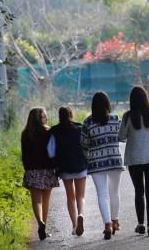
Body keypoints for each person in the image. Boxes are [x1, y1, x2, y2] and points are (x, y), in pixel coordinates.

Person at [119, 85, 149, 237]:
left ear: (131, 100)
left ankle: (141, 224)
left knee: (139, 191)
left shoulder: (127, 116)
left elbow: (121, 137)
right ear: (146, 98)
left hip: (135, 159)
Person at [80, 91, 123, 240]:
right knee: (114, 192)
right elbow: (122, 136)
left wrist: (89, 156)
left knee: (102, 194)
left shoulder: (88, 122)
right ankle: (115, 221)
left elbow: (84, 143)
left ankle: (107, 225)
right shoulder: (115, 119)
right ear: (107, 104)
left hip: (97, 162)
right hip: (115, 160)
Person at [48, 107, 88, 236]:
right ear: (71, 115)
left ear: (59, 116)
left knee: (70, 197)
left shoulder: (54, 131)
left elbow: (50, 151)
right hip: (80, 165)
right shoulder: (79, 128)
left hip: (65, 168)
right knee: (80, 196)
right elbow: (85, 145)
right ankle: (80, 214)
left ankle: (75, 225)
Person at [20, 107, 59, 240]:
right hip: (47, 170)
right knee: (46, 200)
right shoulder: (48, 132)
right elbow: (53, 151)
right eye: (44, 116)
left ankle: (40, 223)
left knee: (36, 201)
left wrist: (27, 170)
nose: (46, 118)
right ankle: (44, 225)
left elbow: (24, 155)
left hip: (32, 170)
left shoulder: (25, 134)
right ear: (39, 119)